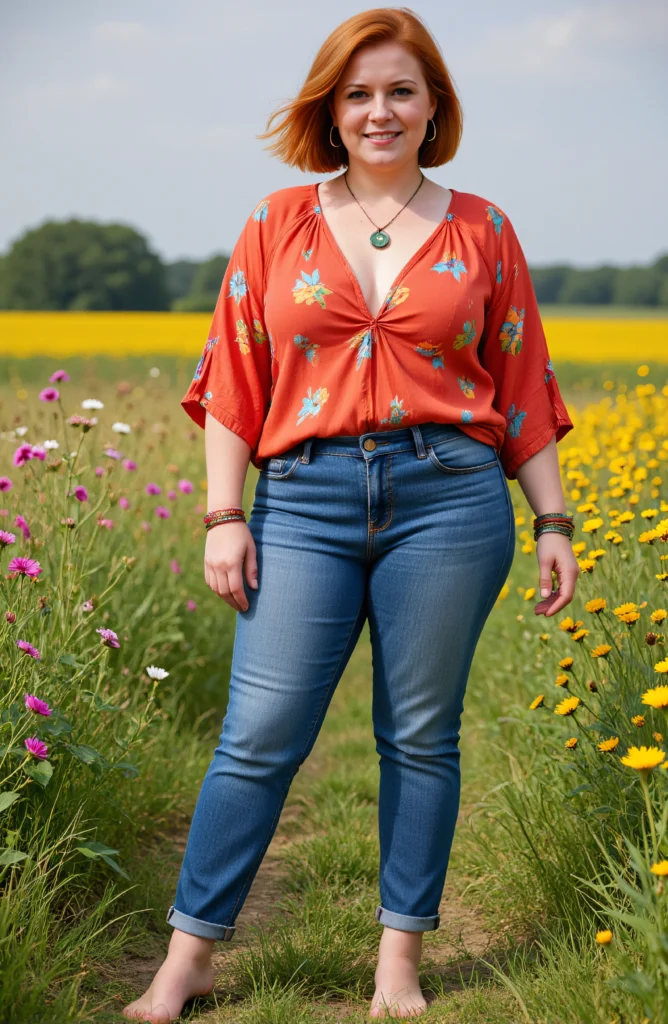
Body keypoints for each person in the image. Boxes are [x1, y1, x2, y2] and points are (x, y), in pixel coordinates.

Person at [123, 7, 578, 1021]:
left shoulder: (482, 227)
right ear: (331, 110)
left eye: (400, 91)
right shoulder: (275, 222)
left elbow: (519, 382)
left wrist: (552, 522)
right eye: (358, 92)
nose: (379, 110)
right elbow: (233, 378)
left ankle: (396, 965)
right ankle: (185, 958)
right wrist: (221, 514)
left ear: (433, 108)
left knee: (419, 734)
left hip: (448, 499)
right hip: (301, 498)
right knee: (258, 731)